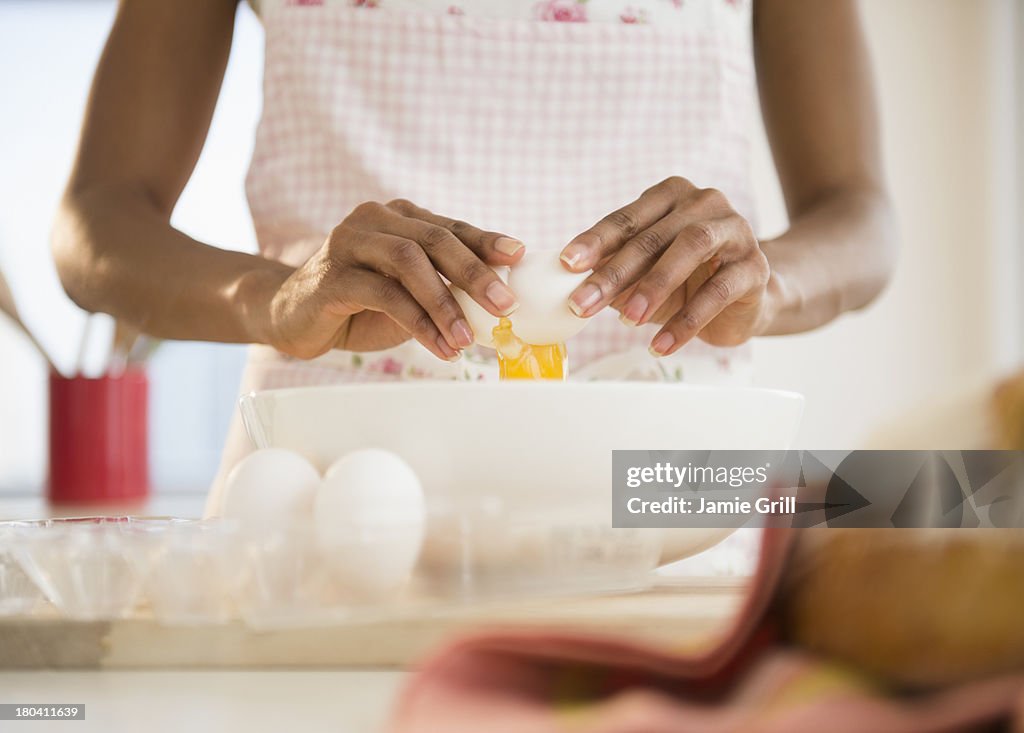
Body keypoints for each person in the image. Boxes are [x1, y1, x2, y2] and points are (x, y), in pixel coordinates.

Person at [51, 0, 895, 512]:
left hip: (674, 498)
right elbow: (95, 224)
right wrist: (273, 298)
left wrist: (768, 283)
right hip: (333, 488)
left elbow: (860, 215)